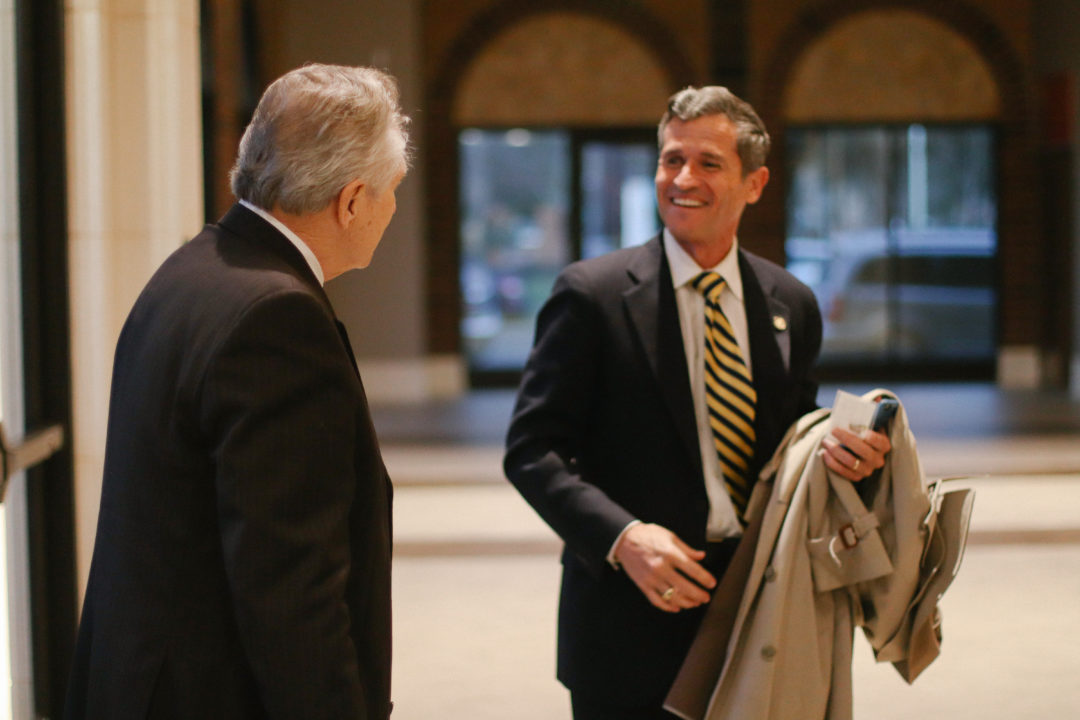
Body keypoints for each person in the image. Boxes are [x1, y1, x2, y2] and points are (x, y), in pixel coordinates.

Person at [503, 86, 890, 720]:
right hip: (629, 617)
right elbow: (531, 451)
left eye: (709, 163)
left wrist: (845, 456)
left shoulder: (790, 303)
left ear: (754, 183)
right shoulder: (592, 296)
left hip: (759, 608)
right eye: (671, 159)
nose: (683, 179)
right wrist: (624, 538)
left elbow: (793, 449)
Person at [64, 64, 408, 720]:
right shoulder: (278, 319)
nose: (392, 209)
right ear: (352, 200)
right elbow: (291, 588)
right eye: (392, 190)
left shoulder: (192, 269)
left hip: (140, 678)